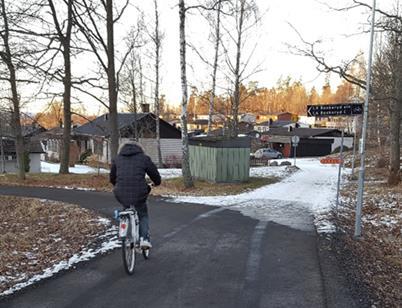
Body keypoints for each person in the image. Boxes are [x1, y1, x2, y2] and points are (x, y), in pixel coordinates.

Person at [110, 141, 161, 249]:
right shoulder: (144, 158)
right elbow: (155, 174)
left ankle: (124, 222)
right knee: (142, 214)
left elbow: (112, 178)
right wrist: (156, 183)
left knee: (126, 207)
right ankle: (144, 239)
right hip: (140, 192)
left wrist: (117, 185)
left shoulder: (117, 159)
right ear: (139, 148)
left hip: (120, 192)